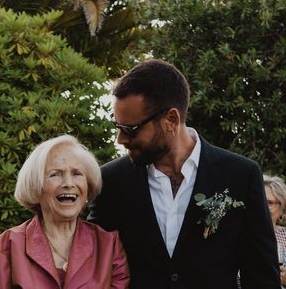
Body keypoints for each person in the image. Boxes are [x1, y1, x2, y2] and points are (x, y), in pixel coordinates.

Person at [87, 58, 281, 289]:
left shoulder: (240, 175)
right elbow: (92, 264)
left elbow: (261, 274)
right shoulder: (111, 180)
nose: (121, 139)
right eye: (117, 127)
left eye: (130, 129)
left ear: (171, 120)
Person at [0, 134, 129, 289]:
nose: (68, 183)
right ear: (36, 187)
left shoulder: (108, 246)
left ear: (88, 186)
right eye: (55, 174)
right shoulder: (7, 245)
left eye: (77, 173)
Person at [264, 175, 286, 287]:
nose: (263, 207)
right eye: (261, 201)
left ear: (282, 208)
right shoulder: (241, 233)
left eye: (270, 203)